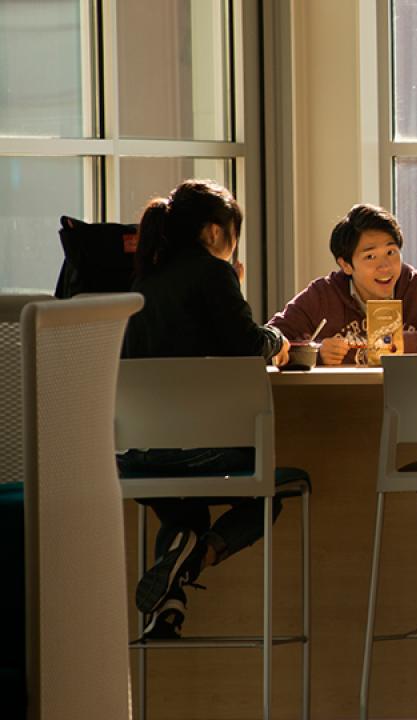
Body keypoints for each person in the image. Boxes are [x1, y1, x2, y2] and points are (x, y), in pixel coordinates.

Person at [119, 179, 292, 640]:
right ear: (215, 233)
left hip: (138, 458)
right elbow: (248, 346)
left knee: (184, 514)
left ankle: (170, 604)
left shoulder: (141, 281)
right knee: (270, 490)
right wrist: (278, 340)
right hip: (204, 453)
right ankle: (199, 558)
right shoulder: (212, 273)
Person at [268, 203, 417, 364]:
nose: (385, 266)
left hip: (412, 401)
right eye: (370, 257)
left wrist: (409, 344)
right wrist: (316, 353)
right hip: (340, 404)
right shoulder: (322, 295)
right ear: (346, 265)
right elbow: (268, 343)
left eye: (391, 252)